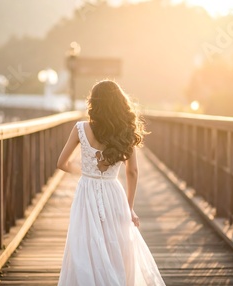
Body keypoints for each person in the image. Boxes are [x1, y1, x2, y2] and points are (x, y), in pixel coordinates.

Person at [56, 80, 165, 285]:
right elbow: (132, 171)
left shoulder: (80, 128)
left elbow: (61, 163)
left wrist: (87, 172)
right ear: (119, 104)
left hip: (86, 192)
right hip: (113, 192)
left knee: (85, 244)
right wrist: (130, 207)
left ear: (94, 103)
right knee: (115, 243)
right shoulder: (125, 131)